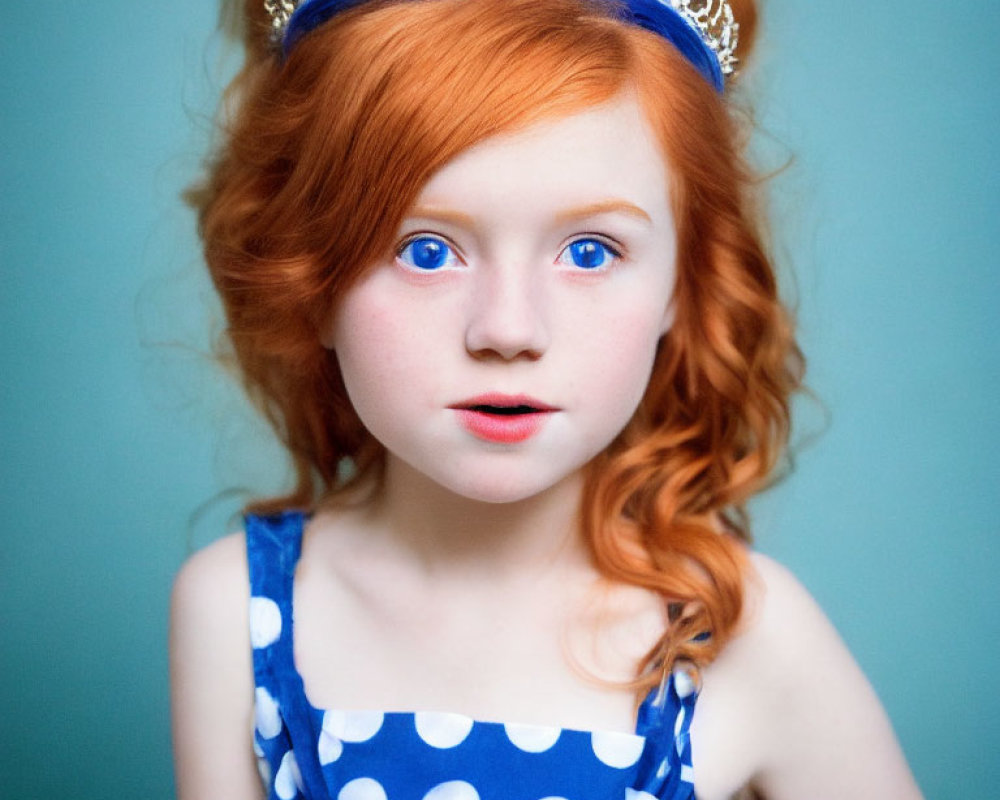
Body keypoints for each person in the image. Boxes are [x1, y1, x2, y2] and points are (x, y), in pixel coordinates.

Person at [169, 0, 923, 798]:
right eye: (426, 250)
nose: (508, 329)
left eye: (591, 251)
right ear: (309, 282)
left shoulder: (744, 638)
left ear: (682, 282)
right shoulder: (235, 611)